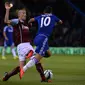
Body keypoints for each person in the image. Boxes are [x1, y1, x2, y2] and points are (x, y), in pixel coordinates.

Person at [3, 2, 50, 82]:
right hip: (23, 46)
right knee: (37, 59)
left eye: (25, 13)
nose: (25, 14)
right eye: (23, 13)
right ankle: (43, 78)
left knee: (21, 68)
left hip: (22, 47)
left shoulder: (27, 24)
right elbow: (6, 21)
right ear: (19, 15)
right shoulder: (17, 21)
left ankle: (7, 76)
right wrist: (7, 10)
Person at [19, 6, 63, 79]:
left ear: (44, 12)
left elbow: (30, 20)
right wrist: (54, 24)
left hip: (37, 37)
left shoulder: (40, 16)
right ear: (51, 12)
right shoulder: (53, 16)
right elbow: (61, 22)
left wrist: (29, 24)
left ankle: (34, 54)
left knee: (48, 54)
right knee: (37, 58)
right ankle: (23, 69)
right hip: (43, 38)